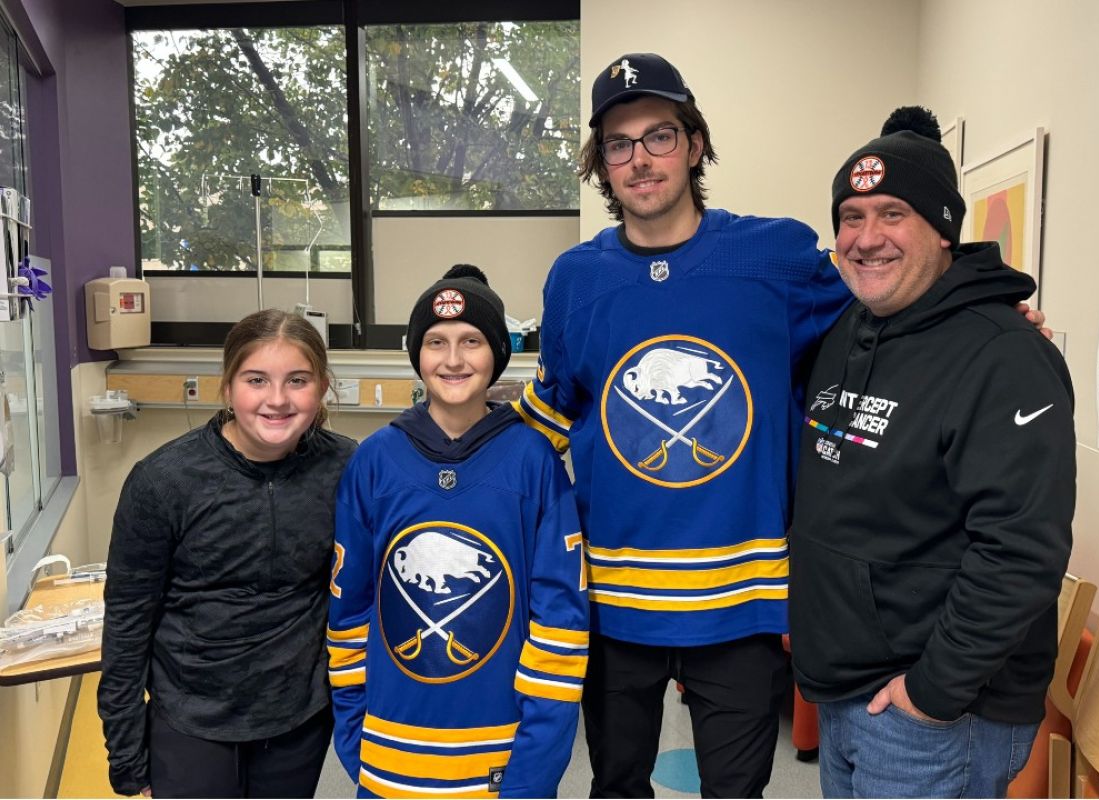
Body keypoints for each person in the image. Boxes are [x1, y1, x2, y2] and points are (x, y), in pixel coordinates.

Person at [516, 52, 855, 798]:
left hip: (740, 602)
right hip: (613, 601)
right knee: (617, 788)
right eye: (619, 143)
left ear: (695, 143)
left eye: (659, 136)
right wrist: (454, 459)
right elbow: (549, 411)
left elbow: (881, 307)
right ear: (601, 164)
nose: (640, 160)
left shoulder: (776, 255)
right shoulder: (576, 278)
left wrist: (985, 315)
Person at [787, 107, 1075, 798]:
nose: (866, 237)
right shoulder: (844, 331)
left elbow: (1021, 548)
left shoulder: (1003, 354)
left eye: (893, 214)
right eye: (850, 217)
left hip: (936, 711)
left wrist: (931, 692)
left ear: (943, 229)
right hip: (846, 690)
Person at [328, 265, 589, 799]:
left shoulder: (532, 461)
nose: (452, 359)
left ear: (496, 352)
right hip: (389, 753)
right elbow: (348, 614)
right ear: (416, 354)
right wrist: (356, 739)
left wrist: (534, 770)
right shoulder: (375, 462)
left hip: (501, 758)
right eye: (436, 342)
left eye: (471, 341)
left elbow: (560, 625)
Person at [99, 310, 357, 798]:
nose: (277, 399)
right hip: (191, 720)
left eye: (297, 380)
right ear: (228, 385)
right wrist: (127, 756)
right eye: (256, 379)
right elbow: (127, 622)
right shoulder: (163, 481)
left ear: (322, 387)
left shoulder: (348, 469)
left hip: (298, 719)